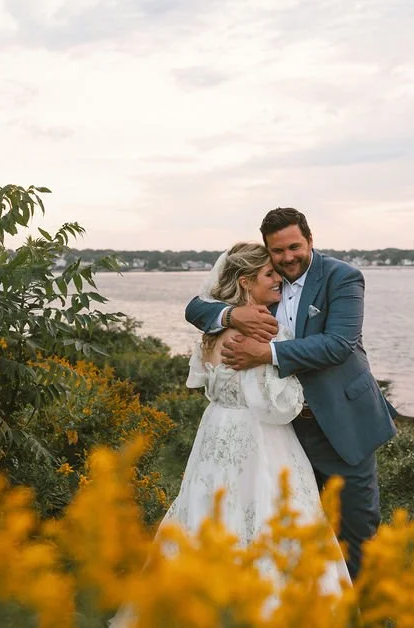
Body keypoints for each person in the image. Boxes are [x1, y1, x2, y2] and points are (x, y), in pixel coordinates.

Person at [185, 208, 396, 579]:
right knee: (293, 530)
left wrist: (267, 353)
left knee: (357, 530)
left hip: (341, 425)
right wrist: (232, 316)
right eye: (277, 251)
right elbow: (196, 307)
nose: (287, 258)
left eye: (294, 247)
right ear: (269, 251)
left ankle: (362, 613)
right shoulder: (268, 284)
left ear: (310, 240)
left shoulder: (342, 277)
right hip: (284, 432)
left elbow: (338, 344)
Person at [158, 242, 349, 592]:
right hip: (261, 436)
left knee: (208, 507)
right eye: (269, 274)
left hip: (216, 429)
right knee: (265, 513)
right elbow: (276, 404)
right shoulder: (261, 329)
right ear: (246, 281)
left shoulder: (214, 329)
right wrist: (300, 388)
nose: (278, 279)